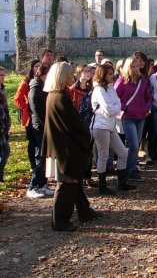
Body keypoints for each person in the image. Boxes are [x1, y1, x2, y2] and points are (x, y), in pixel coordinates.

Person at [42, 62, 100, 231]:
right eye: (69, 74)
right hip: (66, 147)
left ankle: (84, 211)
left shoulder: (55, 95)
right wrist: (87, 135)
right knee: (68, 181)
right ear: (62, 76)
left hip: (64, 144)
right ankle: (59, 220)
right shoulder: (59, 97)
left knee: (74, 180)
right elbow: (74, 123)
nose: (71, 77)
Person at [91, 64, 135, 194]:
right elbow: (110, 109)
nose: (112, 76)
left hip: (110, 126)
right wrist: (116, 108)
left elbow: (118, 104)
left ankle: (122, 182)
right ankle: (102, 186)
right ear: (102, 75)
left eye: (112, 73)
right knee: (103, 156)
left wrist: (116, 107)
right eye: (109, 74)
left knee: (123, 153)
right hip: (100, 126)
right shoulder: (99, 90)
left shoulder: (110, 88)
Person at [114, 56, 151, 181]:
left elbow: (148, 96)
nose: (136, 68)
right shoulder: (121, 81)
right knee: (134, 144)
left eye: (137, 66)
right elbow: (115, 97)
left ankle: (132, 167)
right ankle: (128, 169)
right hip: (128, 117)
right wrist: (125, 108)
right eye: (133, 66)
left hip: (141, 116)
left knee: (136, 144)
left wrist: (146, 108)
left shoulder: (143, 80)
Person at [27, 64, 55, 198]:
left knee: (46, 157)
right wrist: (47, 126)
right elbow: (37, 112)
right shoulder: (35, 89)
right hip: (40, 128)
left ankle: (42, 184)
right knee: (41, 157)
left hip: (47, 127)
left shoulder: (44, 88)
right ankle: (33, 186)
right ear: (42, 74)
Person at [69, 64, 97, 187]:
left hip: (91, 123)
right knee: (79, 152)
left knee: (89, 151)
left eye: (89, 71)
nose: (88, 73)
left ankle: (88, 176)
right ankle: (78, 177)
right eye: (85, 71)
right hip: (78, 124)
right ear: (79, 73)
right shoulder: (72, 90)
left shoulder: (92, 90)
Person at [13, 59, 41, 171]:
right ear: (32, 68)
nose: (38, 68)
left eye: (40, 66)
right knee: (32, 141)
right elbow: (17, 99)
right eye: (36, 66)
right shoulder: (26, 81)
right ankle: (33, 165)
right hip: (30, 118)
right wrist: (27, 107)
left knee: (40, 142)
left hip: (40, 116)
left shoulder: (43, 80)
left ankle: (40, 165)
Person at [0, 67, 10, 183]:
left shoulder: (3, 89)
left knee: (6, 151)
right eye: (0, 75)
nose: (2, 78)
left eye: (3, 75)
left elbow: (6, 107)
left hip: (3, 124)